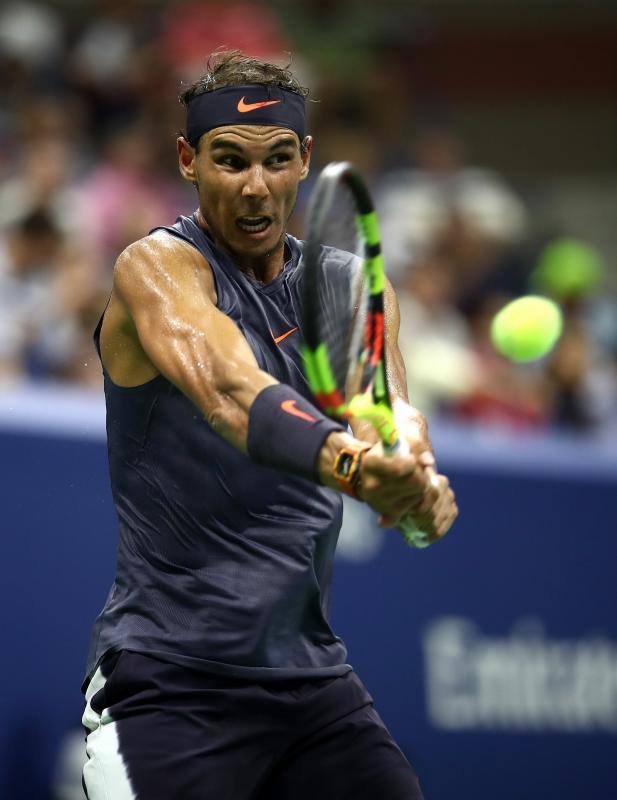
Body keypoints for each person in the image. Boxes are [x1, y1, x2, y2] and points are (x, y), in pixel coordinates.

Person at [81, 50, 458, 800]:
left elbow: (390, 411)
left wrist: (413, 481)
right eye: (230, 160)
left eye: (277, 160)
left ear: (303, 161)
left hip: (313, 690)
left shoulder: (344, 285)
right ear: (188, 160)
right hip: (167, 689)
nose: (256, 187)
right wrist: (350, 466)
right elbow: (227, 387)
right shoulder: (155, 270)